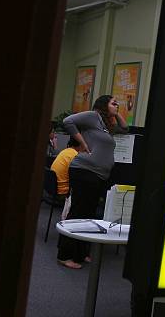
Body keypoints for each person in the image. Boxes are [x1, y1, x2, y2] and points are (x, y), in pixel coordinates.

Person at [57, 95, 128, 269]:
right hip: (84, 170)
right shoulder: (93, 116)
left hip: (99, 174)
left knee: (88, 215)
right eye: (113, 102)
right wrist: (82, 142)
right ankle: (64, 255)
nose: (116, 104)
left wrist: (117, 113)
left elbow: (125, 129)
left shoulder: (106, 125)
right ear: (103, 105)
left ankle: (80, 253)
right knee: (78, 213)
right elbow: (68, 121)